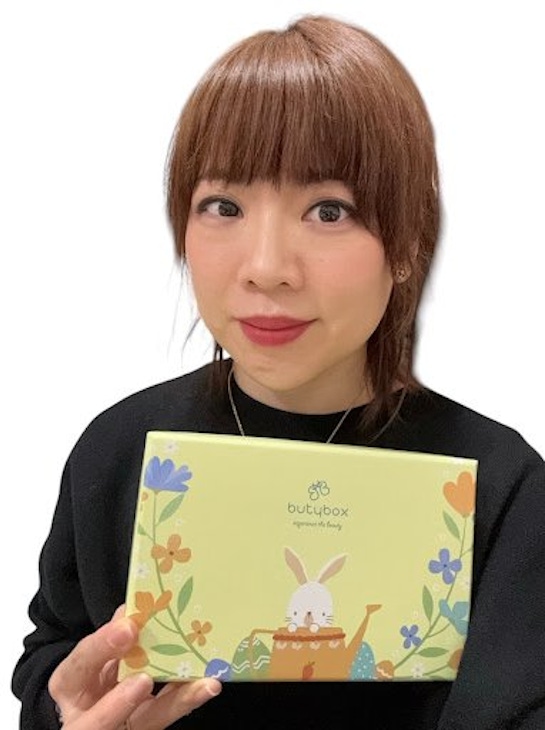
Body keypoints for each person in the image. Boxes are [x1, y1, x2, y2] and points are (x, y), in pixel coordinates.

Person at [11, 13, 545, 730]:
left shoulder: (500, 484)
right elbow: (53, 652)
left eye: (329, 210)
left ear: (408, 243)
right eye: (223, 205)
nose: (266, 268)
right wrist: (63, 710)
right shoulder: (119, 450)